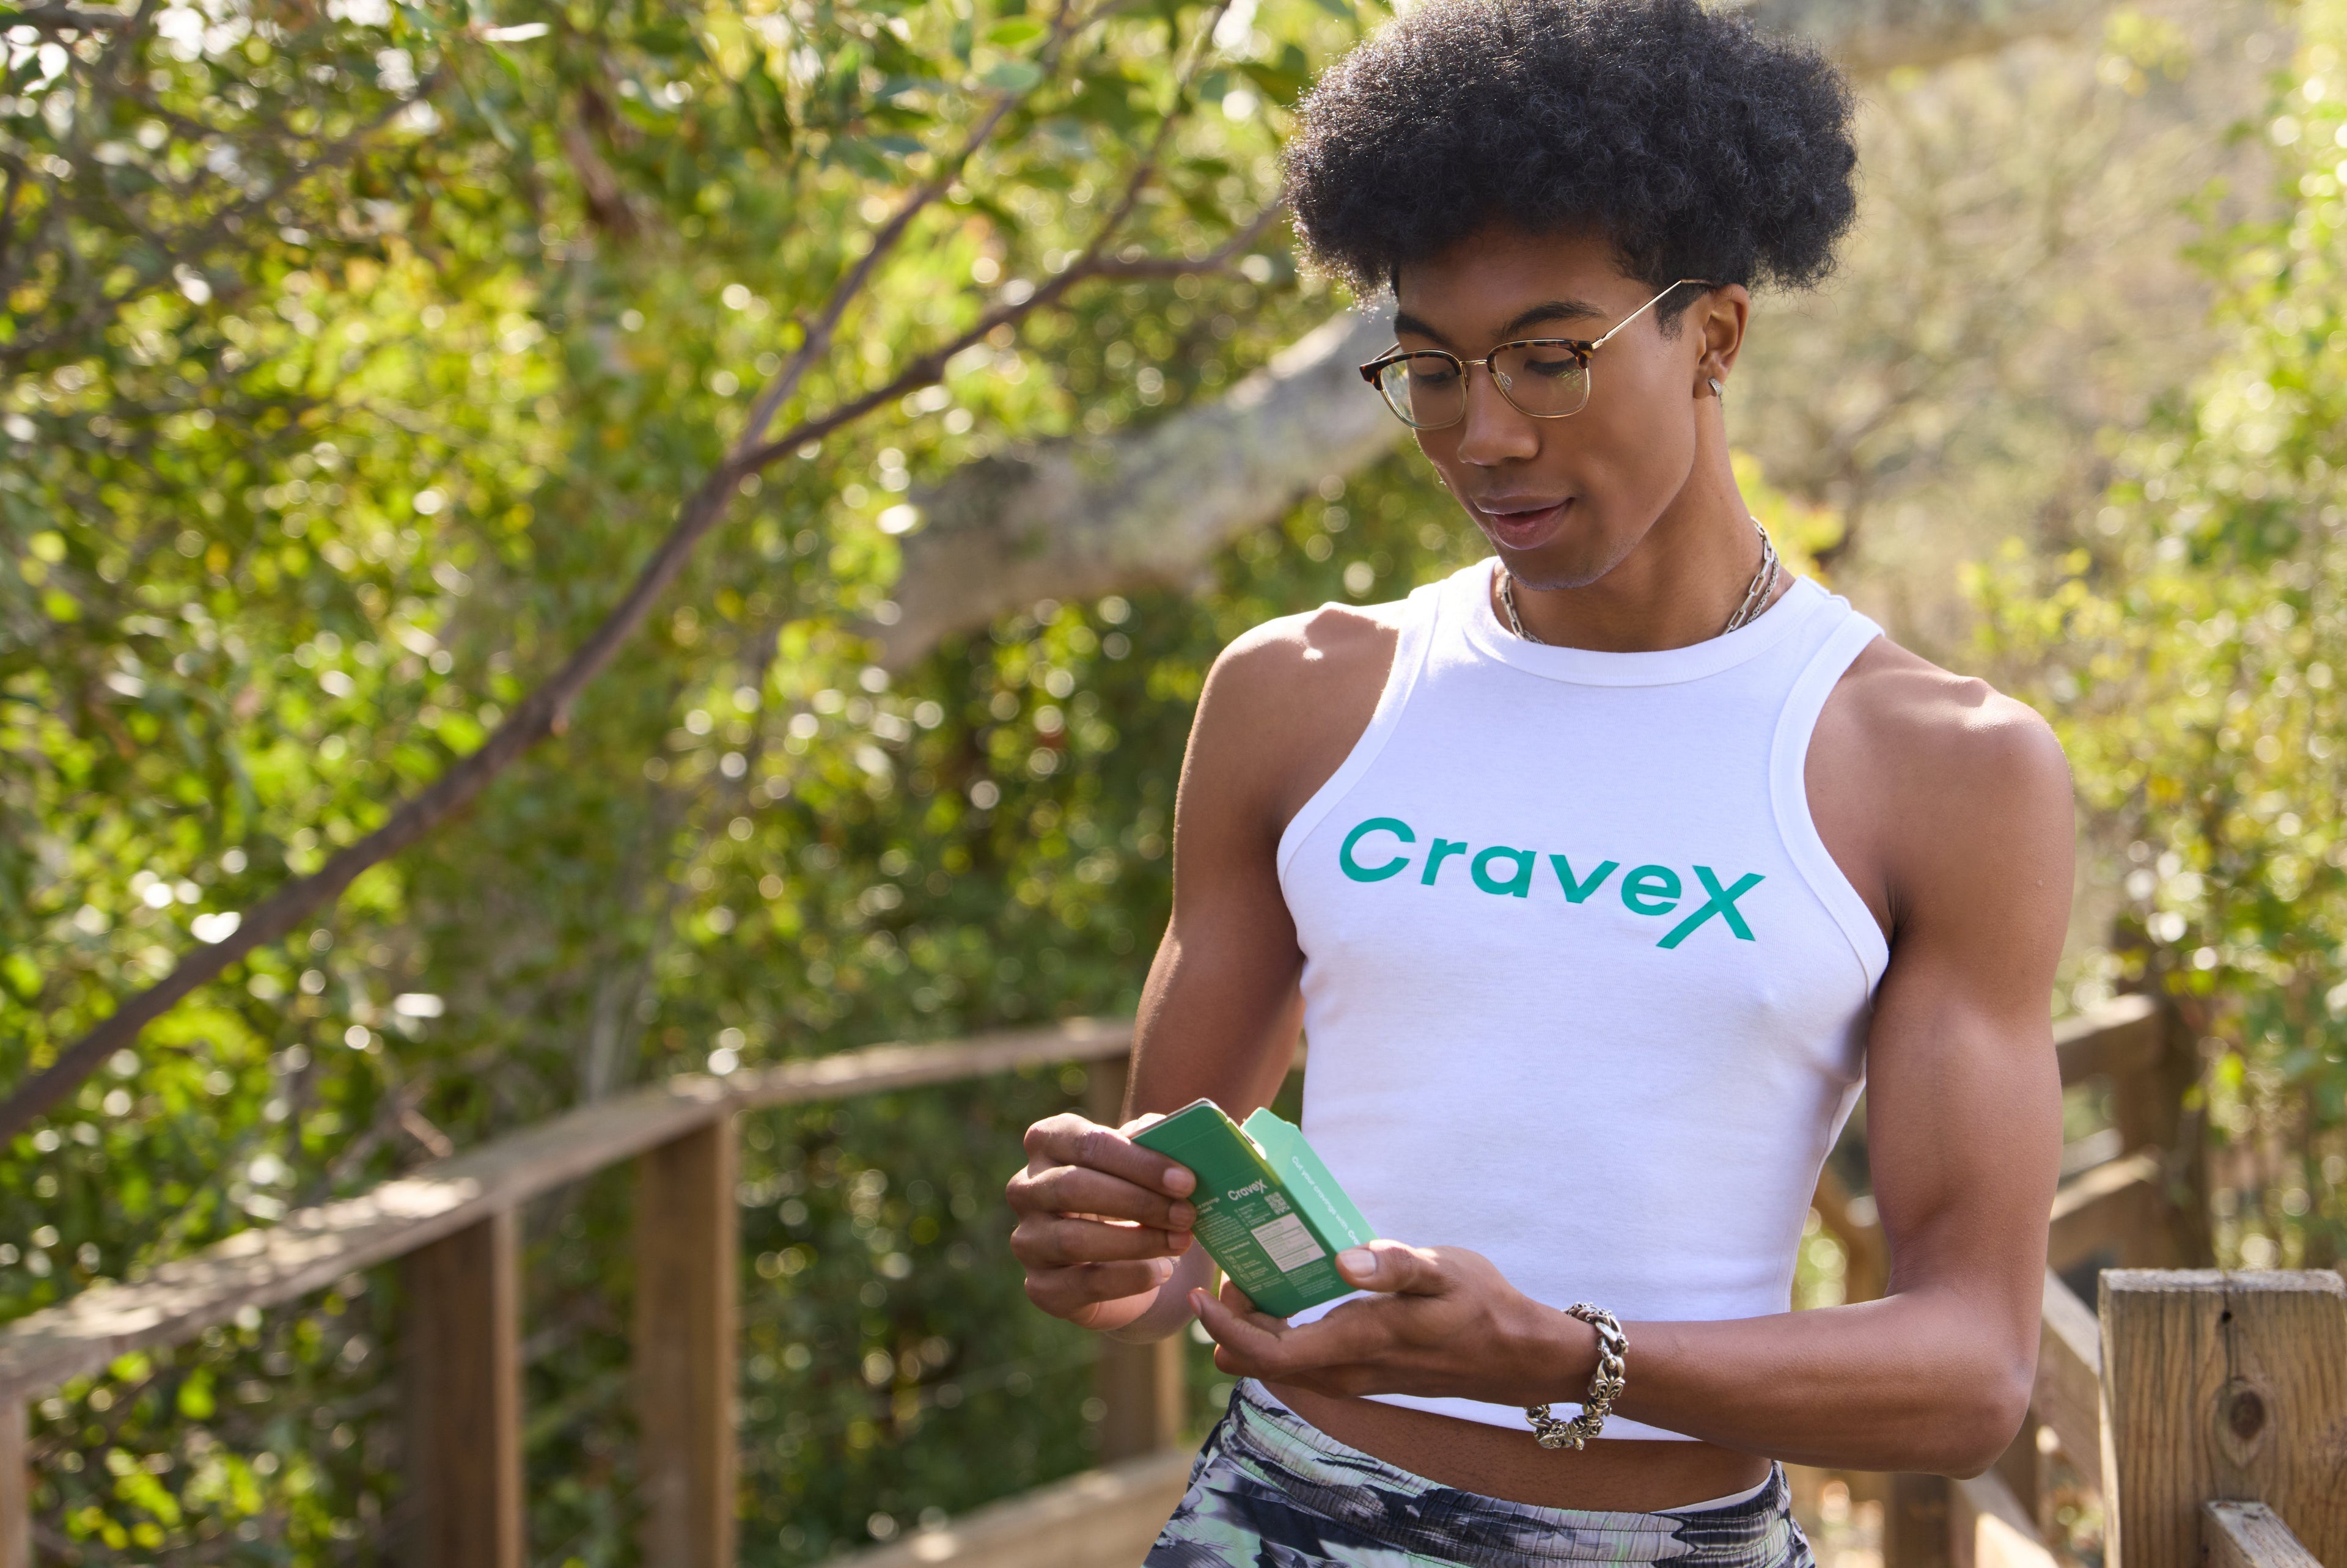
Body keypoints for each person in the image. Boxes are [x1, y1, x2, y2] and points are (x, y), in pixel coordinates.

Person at [1005, 0, 2076, 1561]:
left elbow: (1973, 1372)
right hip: (1281, 1517)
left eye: (1550, 359)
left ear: (1714, 335)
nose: (1485, 434)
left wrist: (1565, 1354)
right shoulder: (1297, 697)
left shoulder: (1941, 767)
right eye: (1433, 369)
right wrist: (1104, 1249)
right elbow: (1160, 1261)